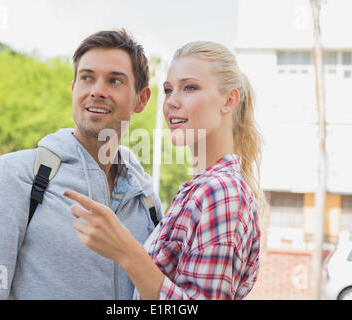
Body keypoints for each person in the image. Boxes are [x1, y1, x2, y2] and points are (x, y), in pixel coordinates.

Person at [0, 29, 162, 299]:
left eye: (114, 81)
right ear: (74, 89)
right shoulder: (14, 175)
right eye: (87, 78)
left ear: (141, 99)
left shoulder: (148, 201)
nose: (97, 91)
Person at [64, 41, 264, 300]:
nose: (171, 102)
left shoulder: (221, 191)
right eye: (169, 90)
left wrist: (126, 252)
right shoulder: (200, 189)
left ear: (229, 100)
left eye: (190, 88)